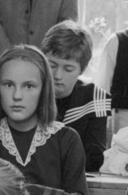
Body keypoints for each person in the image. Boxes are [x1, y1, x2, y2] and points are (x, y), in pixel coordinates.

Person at [0, 44, 87, 195]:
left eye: (29, 86)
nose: (17, 96)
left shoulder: (66, 140)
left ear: (44, 90)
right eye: (8, 85)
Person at [42, 20, 110, 173]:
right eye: (51, 65)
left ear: (82, 69)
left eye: (68, 68)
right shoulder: (29, 92)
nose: (58, 75)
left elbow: (94, 158)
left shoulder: (94, 98)